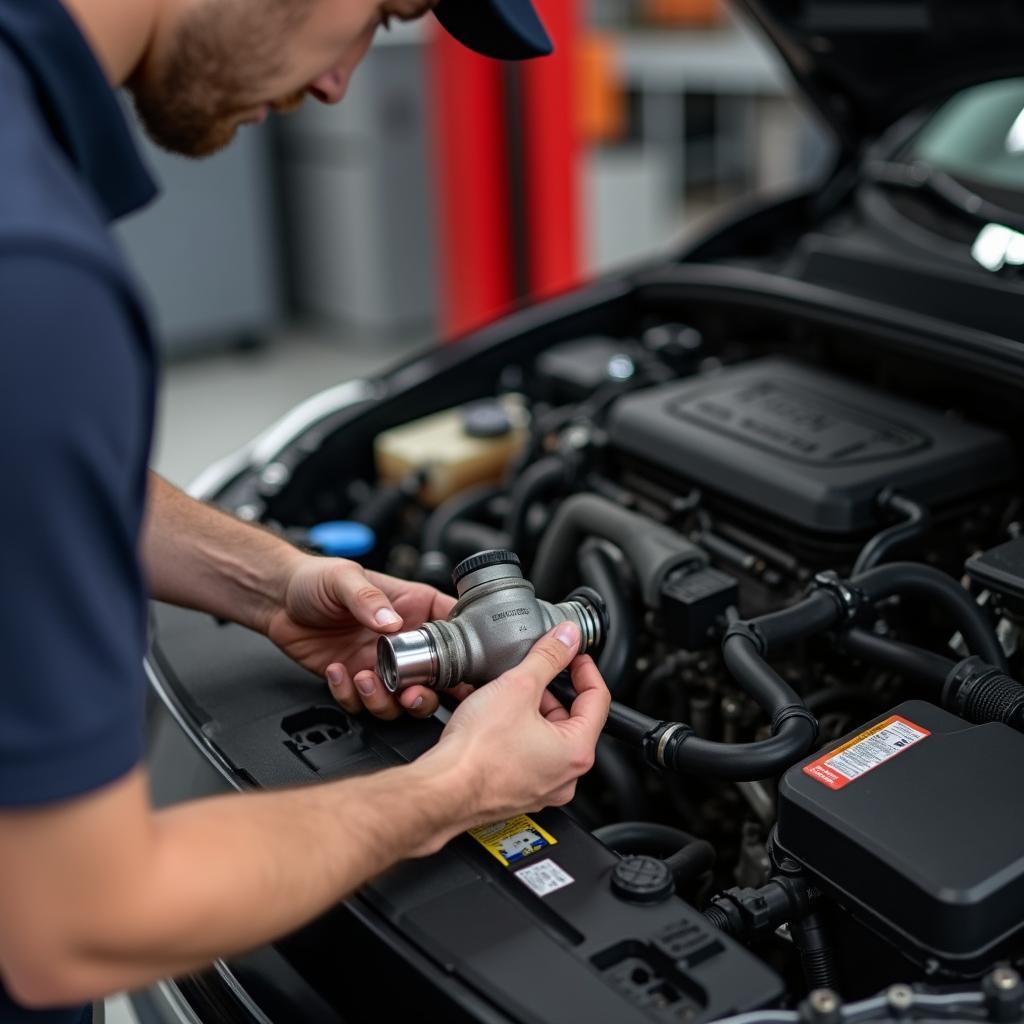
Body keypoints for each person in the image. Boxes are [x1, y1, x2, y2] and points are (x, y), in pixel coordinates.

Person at [0, 0, 611, 1019]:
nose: (338, 84)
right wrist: (455, 787)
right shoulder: (36, 274)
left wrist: (267, 580)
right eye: (384, 10)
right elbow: (78, 923)